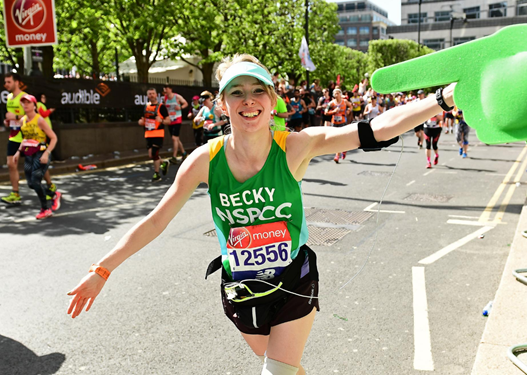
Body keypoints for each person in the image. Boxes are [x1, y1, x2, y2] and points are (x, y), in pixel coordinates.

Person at [66, 53, 456, 375]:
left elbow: (375, 129)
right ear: (223, 104)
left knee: (277, 371)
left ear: (272, 101)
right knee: (284, 367)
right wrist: (102, 269)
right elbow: (156, 220)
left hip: (293, 280)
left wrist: (442, 99)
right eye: (237, 92)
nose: (248, 100)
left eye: (257, 91)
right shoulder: (205, 160)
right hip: (240, 288)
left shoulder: (296, 146)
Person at [13, 95, 59, 219]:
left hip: (41, 154)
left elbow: (54, 138)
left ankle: (46, 209)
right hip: (29, 154)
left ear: (34, 105)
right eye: (23, 103)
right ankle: (53, 194)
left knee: (35, 181)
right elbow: (25, 138)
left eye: (28, 102)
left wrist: (46, 153)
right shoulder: (23, 120)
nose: (25, 105)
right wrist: (18, 151)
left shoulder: (40, 120)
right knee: (31, 184)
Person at [2, 73, 27, 205]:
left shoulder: (24, 98)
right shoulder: (10, 97)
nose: (6, 84)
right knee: (11, 164)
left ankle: (50, 187)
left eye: (8, 82)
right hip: (14, 135)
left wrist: (16, 117)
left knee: (37, 166)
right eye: (5, 82)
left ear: (17, 82)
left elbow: (31, 117)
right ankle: (15, 193)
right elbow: (13, 118)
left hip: (26, 136)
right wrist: (9, 121)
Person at [139, 88, 171, 182]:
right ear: (147, 96)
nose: (151, 95)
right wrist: (141, 122)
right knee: (151, 155)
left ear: (156, 95)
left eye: (153, 93)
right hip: (148, 134)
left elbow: (168, 121)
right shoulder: (146, 107)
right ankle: (163, 163)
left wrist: (161, 120)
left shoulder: (161, 107)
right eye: (149, 94)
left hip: (158, 133)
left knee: (154, 153)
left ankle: (156, 174)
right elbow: (142, 120)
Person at [36, 93, 58, 202]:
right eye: (43, 97)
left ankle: (49, 189)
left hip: (45, 134)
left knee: (41, 163)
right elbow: (43, 114)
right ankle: (49, 187)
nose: (44, 99)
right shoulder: (39, 105)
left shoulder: (40, 105)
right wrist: (50, 110)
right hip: (41, 135)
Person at [163, 84, 189, 163]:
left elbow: (186, 103)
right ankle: (183, 153)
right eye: (164, 89)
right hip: (170, 120)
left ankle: (174, 157)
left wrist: (180, 107)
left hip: (177, 119)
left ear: (170, 89)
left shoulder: (177, 97)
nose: (165, 90)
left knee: (174, 138)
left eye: (166, 88)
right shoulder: (165, 98)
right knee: (176, 139)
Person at [325, 88, 352, 163]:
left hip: (342, 122)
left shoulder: (344, 101)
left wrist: (349, 111)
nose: (336, 95)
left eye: (338, 93)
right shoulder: (331, 103)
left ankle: (339, 154)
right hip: (334, 123)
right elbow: (325, 112)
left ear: (340, 94)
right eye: (335, 94)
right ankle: (340, 152)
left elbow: (350, 106)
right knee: (336, 139)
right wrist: (333, 111)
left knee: (341, 138)